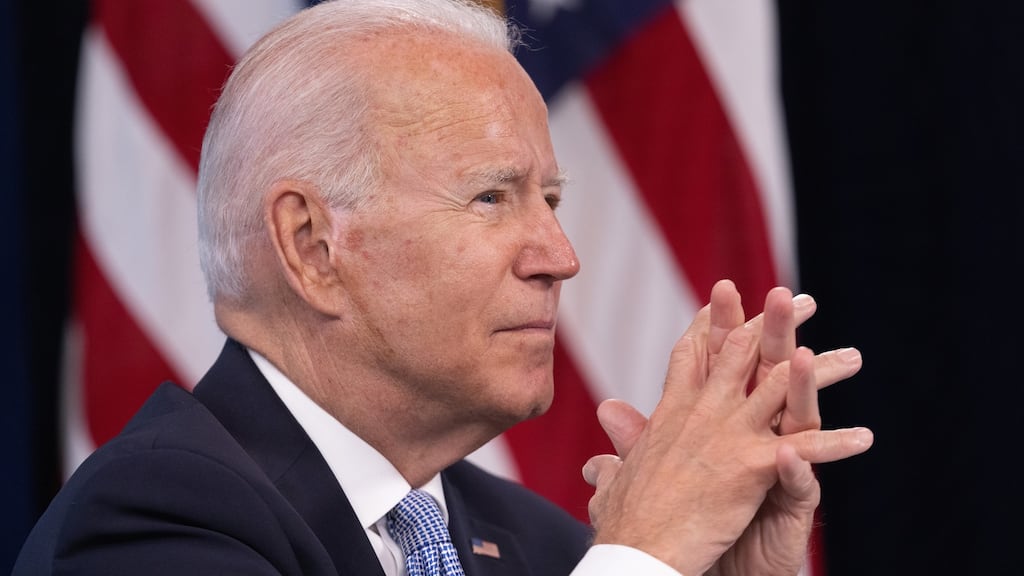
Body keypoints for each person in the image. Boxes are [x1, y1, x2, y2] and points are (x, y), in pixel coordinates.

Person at [13, 0, 873, 575]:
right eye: (493, 197)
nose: (560, 255)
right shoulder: (155, 520)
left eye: (553, 199)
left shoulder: (538, 545)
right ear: (312, 246)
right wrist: (643, 556)